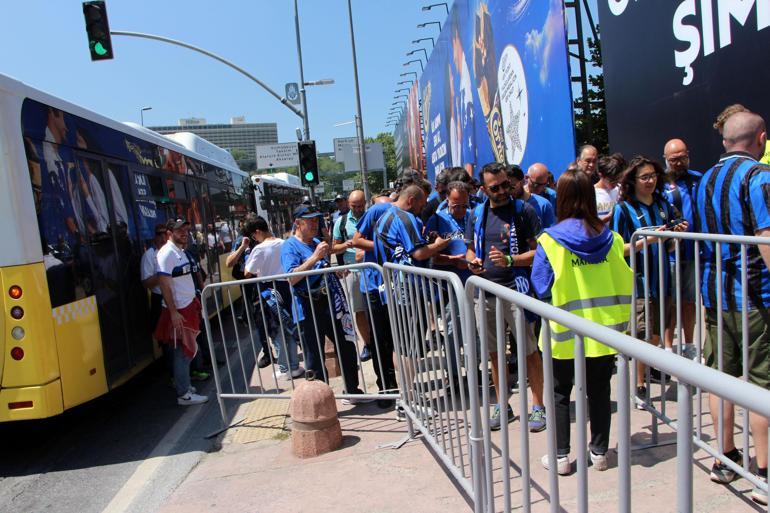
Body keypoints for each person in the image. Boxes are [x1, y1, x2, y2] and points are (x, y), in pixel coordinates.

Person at [532, 168, 633, 475]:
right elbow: (625, 281)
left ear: (560, 198)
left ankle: (561, 457)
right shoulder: (613, 239)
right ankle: (600, 453)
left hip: (563, 334)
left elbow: (541, 286)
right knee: (600, 391)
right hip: (604, 332)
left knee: (561, 393)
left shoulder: (549, 241)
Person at [696, 111, 770, 504]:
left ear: (725, 141)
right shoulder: (760, 177)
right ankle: (765, 474)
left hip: (715, 297)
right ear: (761, 137)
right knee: (763, 383)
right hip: (756, 299)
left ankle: (724, 458)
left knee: (720, 376)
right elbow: (767, 239)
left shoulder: (704, 179)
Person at [466, 162, 546, 433]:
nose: (502, 191)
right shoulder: (477, 214)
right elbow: (468, 250)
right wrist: (472, 261)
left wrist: (512, 259)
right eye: (495, 187)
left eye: (506, 185)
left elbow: (540, 252)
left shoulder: (524, 210)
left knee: (529, 351)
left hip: (517, 291)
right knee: (494, 354)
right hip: (485, 293)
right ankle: (503, 404)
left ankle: (538, 405)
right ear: (483, 189)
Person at [611, 156, 687, 408]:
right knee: (642, 335)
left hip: (663, 277)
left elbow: (671, 233)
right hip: (638, 281)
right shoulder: (623, 210)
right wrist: (648, 241)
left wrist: (676, 232)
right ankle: (639, 384)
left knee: (657, 334)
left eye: (653, 176)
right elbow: (617, 248)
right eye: (644, 177)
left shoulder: (663, 204)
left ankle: (649, 370)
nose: (651, 181)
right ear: (632, 181)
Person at [280, 205, 367, 402]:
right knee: (314, 356)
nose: (314, 224)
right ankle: (321, 401)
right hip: (307, 307)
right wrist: (315, 257)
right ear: (297, 223)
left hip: (329, 303)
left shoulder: (317, 241)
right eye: (309, 220)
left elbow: (322, 269)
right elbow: (291, 278)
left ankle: (353, 391)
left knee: (346, 345)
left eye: (316, 220)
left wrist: (335, 272)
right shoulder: (290, 246)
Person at [153, 218, 209, 406]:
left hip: (188, 306)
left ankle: (184, 387)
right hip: (179, 310)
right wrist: (174, 312)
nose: (184, 232)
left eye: (185, 229)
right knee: (182, 352)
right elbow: (164, 284)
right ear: (169, 233)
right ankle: (184, 393)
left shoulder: (179, 252)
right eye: (179, 230)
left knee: (186, 350)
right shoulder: (166, 254)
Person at [245, 216, 303, 379]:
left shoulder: (259, 249)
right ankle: (294, 366)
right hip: (286, 287)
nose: (253, 239)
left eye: (253, 236)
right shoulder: (284, 243)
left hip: (269, 290)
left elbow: (247, 272)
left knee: (275, 331)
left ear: (257, 232)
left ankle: (285, 369)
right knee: (289, 327)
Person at [661, 139, 701, 359]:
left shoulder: (698, 179)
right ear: (665, 158)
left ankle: (689, 345)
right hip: (670, 254)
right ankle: (667, 347)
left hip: (693, 252)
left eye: (682, 158)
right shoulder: (660, 182)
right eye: (673, 159)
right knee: (670, 302)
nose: (678, 163)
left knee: (689, 301)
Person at [226, 215, 274, 368]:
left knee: (277, 315)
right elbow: (229, 262)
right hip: (250, 286)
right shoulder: (242, 240)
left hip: (268, 281)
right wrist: (242, 247)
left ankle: (290, 352)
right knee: (259, 320)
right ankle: (267, 353)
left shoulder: (266, 236)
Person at [331, 189, 373, 363]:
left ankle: (382, 340)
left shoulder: (372, 217)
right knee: (360, 311)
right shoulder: (341, 222)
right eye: (354, 206)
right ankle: (368, 344)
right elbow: (334, 247)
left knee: (376, 309)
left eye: (360, 205)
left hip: (372, 270)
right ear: (349, 205)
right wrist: (349, 244)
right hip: (353, 272)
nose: (357, 209)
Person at [141, 223, 168, 335]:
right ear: (155, 236)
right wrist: (163, 274)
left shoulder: (173, 251)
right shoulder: (149, 255)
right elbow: (146, 283)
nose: (163, 237)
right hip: (160, 299)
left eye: (165, 233)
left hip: (176, 295)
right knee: (166, 338)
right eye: (159, 234)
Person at [510, 164, 554, 230]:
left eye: (544, 184)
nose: (540, 188)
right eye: (536, 184)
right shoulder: (510, 199)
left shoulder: (550, 197)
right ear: (526, 178)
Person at [595, 153, 625, 224]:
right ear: (601, 175)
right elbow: (589, 225)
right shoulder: (591, 193)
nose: (615, 184)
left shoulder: (620, 189)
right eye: (611, 181)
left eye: (617, 180)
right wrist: (608, 218)